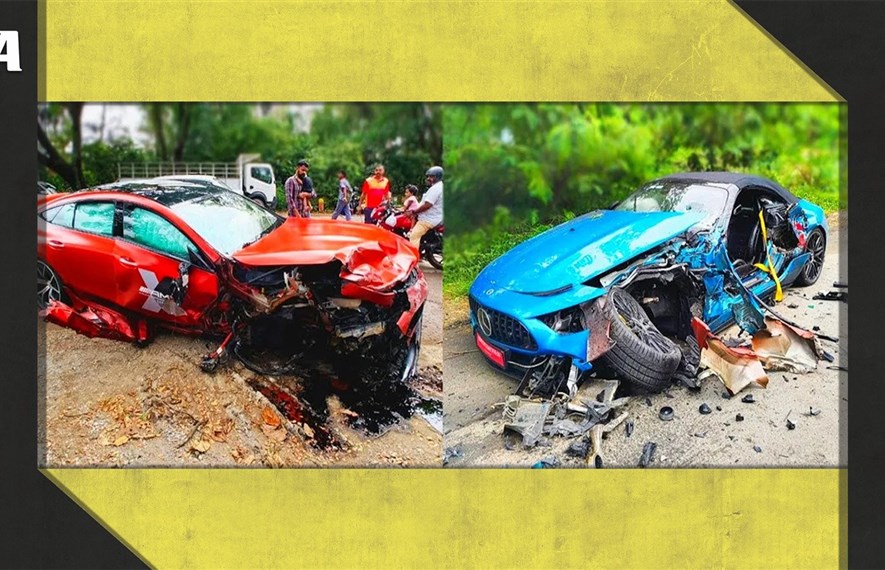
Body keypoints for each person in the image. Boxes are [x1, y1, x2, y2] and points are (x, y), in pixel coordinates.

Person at [409, 166, 443, 248]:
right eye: (428, 176)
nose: (428, 178)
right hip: (432, 217)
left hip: (428, 220)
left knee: (414, 236)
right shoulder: (438, 187)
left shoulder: (436, 189)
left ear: (437, 177)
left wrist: (414, 212)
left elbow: (427, 205)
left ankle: (413, 259)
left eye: (431, 176)